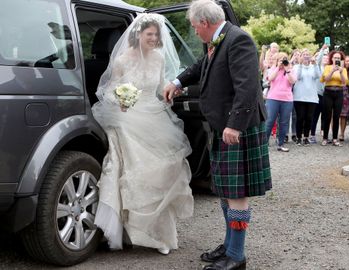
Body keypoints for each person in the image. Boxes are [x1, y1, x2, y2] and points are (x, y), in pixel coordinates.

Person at [163, 1, 272, 269]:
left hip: (238, 128)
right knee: (226, 191)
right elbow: (202, 65)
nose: (195, 32)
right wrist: (177, 82)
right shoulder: (217, 40)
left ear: (204, 23)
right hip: (223, 126)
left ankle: (236, 256)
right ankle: (229, 246)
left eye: (194, 27)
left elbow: (247, 87)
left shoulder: (239, 40)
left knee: (237, 193)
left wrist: (235, 125)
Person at [92, 14, 194, 255]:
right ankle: (131, 231)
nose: (154, 38)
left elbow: (160, 86)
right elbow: (109, 90)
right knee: (134, 173)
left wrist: (172, 90)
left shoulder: (158, 58)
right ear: (138, 34)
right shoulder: (122, 60)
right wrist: (120, 101)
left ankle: (159, 234)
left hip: (154, 117)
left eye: (156, 35)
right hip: (128, 118)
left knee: (163, 173)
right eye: (150, 34)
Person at [265, 52, 296, 152]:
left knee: (284, 122)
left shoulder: (291, 70)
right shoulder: (272, 69)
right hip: (273, 98)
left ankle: (281, 144)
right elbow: (270, 79)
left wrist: (287, 70)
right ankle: (263, 144)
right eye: (280, 60)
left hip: (287, 100)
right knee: (269, 121)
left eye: (284, 59)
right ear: (277, 61)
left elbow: (293, 81)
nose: (283, 62)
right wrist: (278, 67)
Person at [320, 50, 349, 146]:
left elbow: (345, 82)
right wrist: (332, 70)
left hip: (339, 92)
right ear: (331, 59)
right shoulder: (327, 67)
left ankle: (335, 138)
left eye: (338, 58)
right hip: (328, 91)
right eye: (335, 58)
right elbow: (326, 79)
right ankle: (325, 138)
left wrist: (340, 72)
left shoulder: (343, 69)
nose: (336, 59)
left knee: (337, 116)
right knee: (327, 115)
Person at [293, 49, 320, 145]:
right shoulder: (296, 67)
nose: (306, 56)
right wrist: (300, 65)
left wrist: (315, 64)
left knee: (309, 118)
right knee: (300, 117)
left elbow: (318, 76)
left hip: (311, 96)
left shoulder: (314, 67)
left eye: (308, 54)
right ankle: (299, 137)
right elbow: (298, 77)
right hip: (299, 96)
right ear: (301, 56)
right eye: (304, 54)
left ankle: (306, 137)